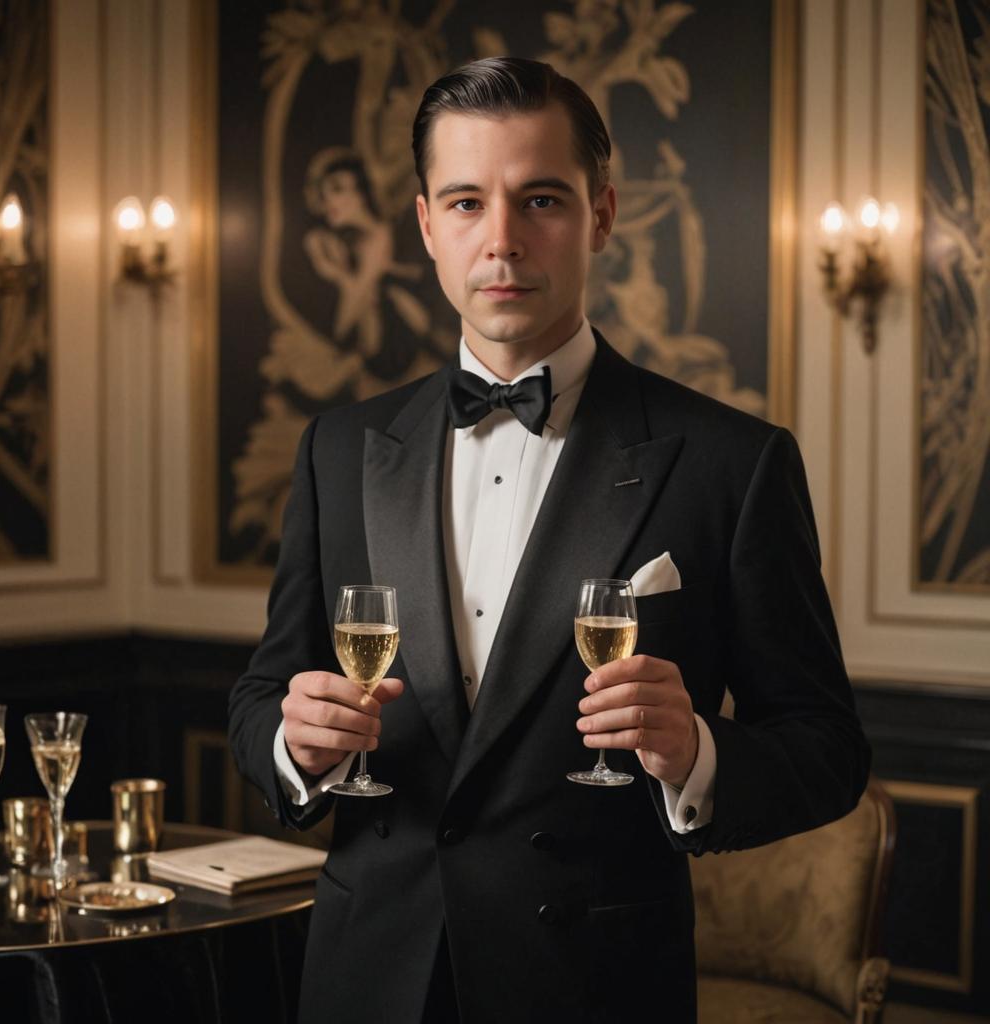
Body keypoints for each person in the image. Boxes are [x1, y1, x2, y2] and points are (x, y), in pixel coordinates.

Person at [229, 56, 870, 1024]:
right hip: (366, 970)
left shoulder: (731, 461)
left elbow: (824, 750)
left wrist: (693, 749)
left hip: (592, 979)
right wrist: (292, 739)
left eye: (540, 199)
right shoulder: (340, 447)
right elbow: (260, 692)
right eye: (464, 202)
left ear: (601, 215)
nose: (502, 242)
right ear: (425, 227)